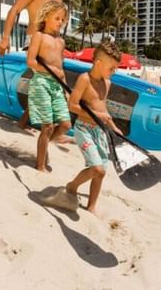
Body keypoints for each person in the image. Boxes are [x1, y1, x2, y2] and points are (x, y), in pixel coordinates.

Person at [0, 0, 64, 129]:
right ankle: (47, 126)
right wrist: (5, 37)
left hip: (52, 45)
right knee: (48, 79)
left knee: (46, 80)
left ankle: (23, 122)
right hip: (35, 41)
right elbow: (15, 10)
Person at [65, 40, 122, 216]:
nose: (114, 72)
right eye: (112, 68)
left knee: (101, 172)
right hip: (83, 129)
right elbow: (72, 105)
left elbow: (102, 109)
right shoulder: (84, 79)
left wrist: (113, 127)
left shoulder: (107, 83)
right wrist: (96, 117)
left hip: (100, 131)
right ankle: (72, 186)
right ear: (98, 63)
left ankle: (91, 206)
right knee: (96, 168)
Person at [26, 1, 72, 172]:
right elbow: (30, 61)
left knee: (66, 124)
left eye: (62, 19)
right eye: (57, 18)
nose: (60, 22)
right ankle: (40, 165)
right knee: (48, 126)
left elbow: (61, 67)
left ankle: (45, 142)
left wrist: (66, 89)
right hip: (42, 82)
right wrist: (49, 69)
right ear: (46, 17)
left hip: (58, 85)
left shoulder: (61, 42)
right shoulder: (39, 36)